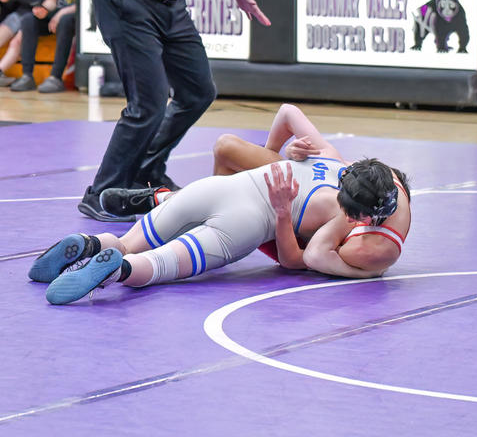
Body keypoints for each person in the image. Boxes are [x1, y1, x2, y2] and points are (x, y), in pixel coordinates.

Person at [30, 104, 412, 305]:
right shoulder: (341, 217)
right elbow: (304, 259)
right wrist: (364, 274)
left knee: (129, 240)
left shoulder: (328, 155)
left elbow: (288, 110)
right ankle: (117, 271)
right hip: (244, 223)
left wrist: (276, 153)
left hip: (215, 188)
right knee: (159, 264)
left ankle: (93, 243)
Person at [78, 0, 271, 223]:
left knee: (198, 92)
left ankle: (145, 171)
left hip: (171, 7)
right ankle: (103, 194)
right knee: (148, 104)